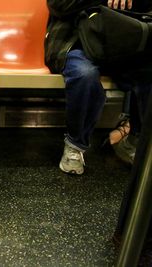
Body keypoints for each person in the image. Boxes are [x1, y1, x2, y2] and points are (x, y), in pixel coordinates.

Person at [45, 0, 152, 175]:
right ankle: (75, 144)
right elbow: (58, 5)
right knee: (84, 75)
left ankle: (137, 139)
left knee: (148, 71)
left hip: (122, 42)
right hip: (74, 41)